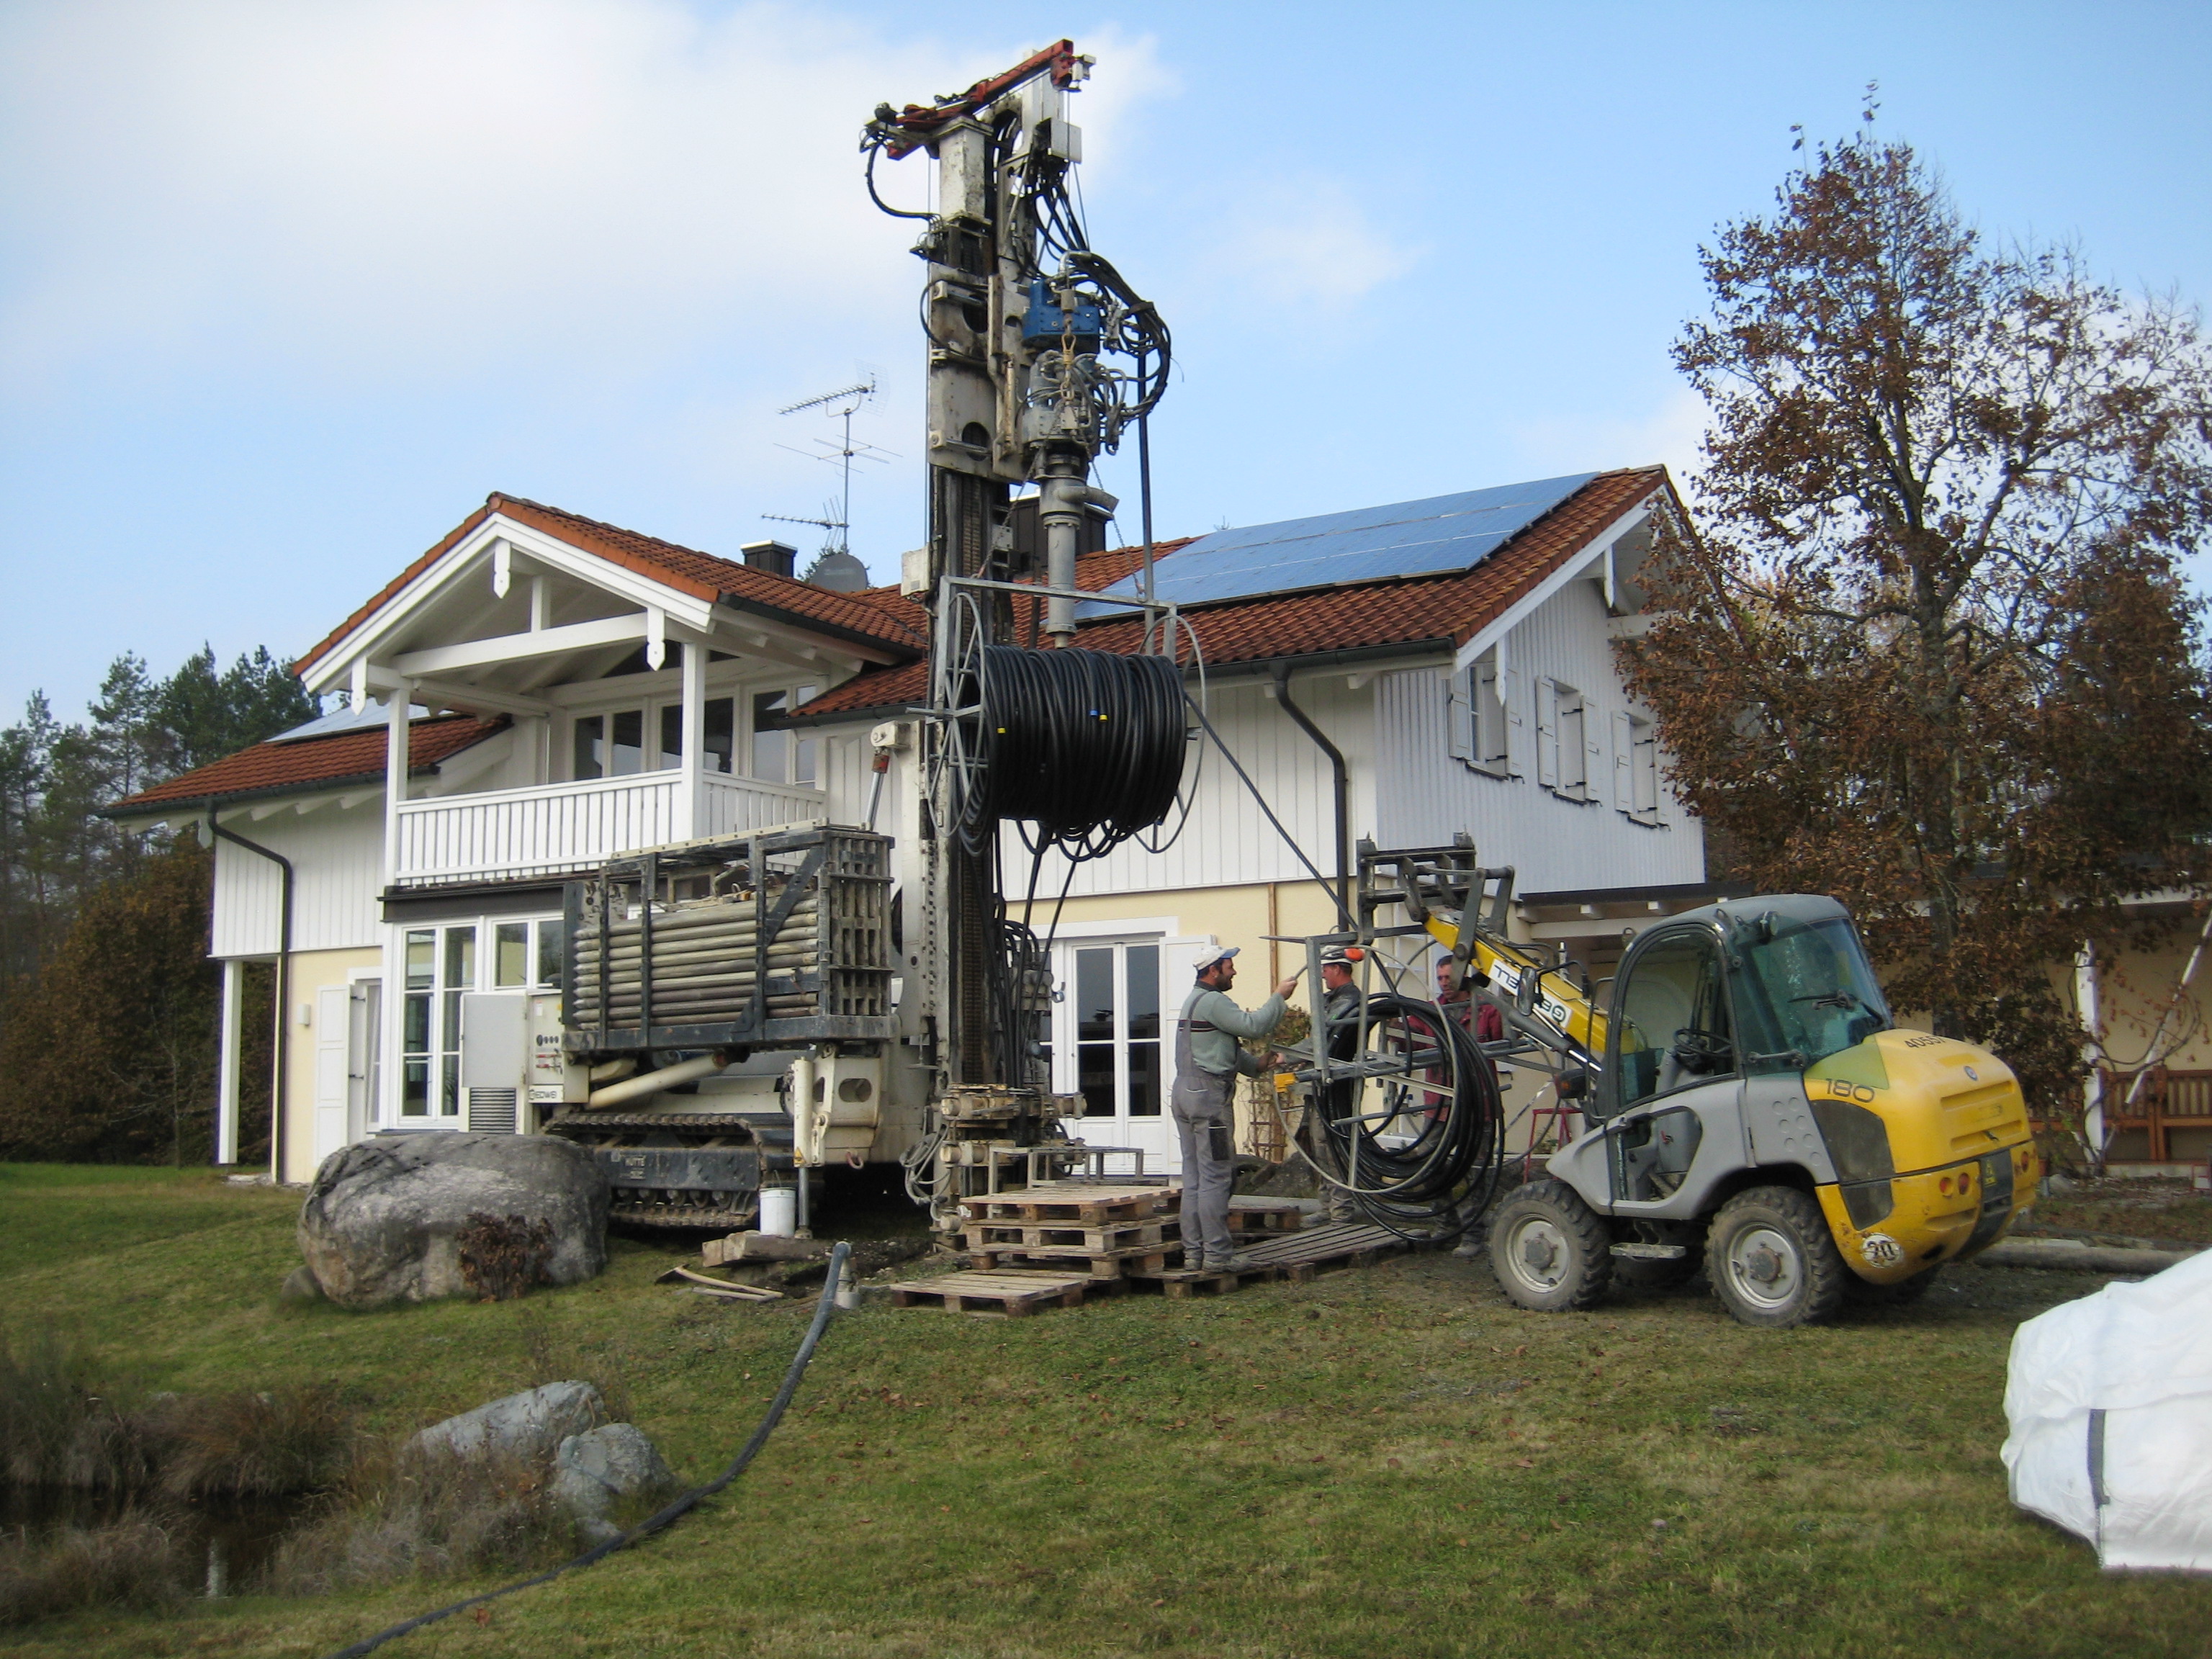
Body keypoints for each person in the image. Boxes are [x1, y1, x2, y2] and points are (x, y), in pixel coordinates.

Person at [1172, 946, 1298, 1273]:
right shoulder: (1214, 1001)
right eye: (1230, 967)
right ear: (1213, 971)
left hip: (1185, 1095)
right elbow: (1253, 1026)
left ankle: (1193, 1254)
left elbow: (1225, 1046)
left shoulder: (1194, 1001)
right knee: (1216, 1177)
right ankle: (1217, 1257)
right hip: (1208, 1101)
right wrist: (1279, 998)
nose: (1234, 972)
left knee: (1195, 1177)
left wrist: (1257, 1064)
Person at [1313, 945, 1366, 1224]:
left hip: (1338, 1082)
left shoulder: (1349, 1001)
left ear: (1336, 969)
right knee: (1319, 1145)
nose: (1322, 975)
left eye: (1324, 970)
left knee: (1332, 1145)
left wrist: (1288, 1054)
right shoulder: (1334, 998)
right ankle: (1326, 1207)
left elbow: (1325, 1036)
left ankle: (1340, 1211)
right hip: (1324, 1080)